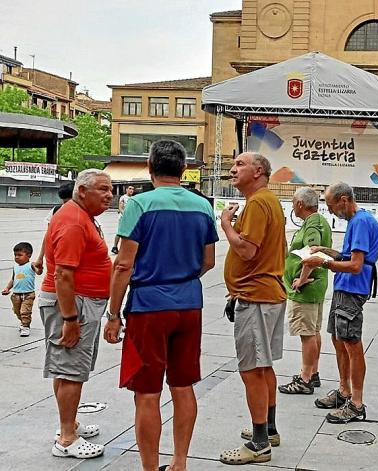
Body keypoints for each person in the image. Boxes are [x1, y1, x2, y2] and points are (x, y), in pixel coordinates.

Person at [103, 140, 218, 471]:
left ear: (149, 168)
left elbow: (123, 265)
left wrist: (113, 315)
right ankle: (179, 462)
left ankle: (150, 468)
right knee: (183, 386)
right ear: (184, 170)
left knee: (148, 393)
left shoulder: (139, 205)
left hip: (148, 308)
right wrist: (180, 278)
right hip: (189, 305)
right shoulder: (202, 206)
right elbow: (208, 261)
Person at [39, 169, 113, 459]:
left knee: (67, 368)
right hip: (73, 305)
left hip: (81, 303)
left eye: (110, 189)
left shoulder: (81, 216)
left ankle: (68, 425)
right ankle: (67, 439)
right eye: (103, 189)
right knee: (71, 371)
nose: (109, 195)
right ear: (82, 191)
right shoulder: (73, 221)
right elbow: (63, 275)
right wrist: (70, 320)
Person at [219, 152, 287, 465]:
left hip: (256, 296)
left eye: (240, 165)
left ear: (258, 171)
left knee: (251, 371)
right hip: (265, 294)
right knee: (263, 367)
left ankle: (259, 443)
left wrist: (225, 224)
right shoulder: (266, 201)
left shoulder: (259, 202)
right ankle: (268, 428)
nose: (233, 169)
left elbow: (246, 249)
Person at [302, 182, 378, 424]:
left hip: (352, 288)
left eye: (331, 205)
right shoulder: (358, 221)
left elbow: (356, 265)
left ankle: (356, 403)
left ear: (344, 200)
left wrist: (322, 263)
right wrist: (323, 250)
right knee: (339, 340)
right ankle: (344, 391)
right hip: (345, 287)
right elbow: (347, 256)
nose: (330, 210)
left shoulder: (359, 222)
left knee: (351, 343)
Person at [278, 187, 332, 395]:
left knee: (307, 333)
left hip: (306, 288)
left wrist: (300, 278)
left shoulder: (312, 225)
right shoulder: (318, 222)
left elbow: (312, 253)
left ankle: (305, 378)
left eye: (293, 202)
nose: (292, 206)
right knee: (313, 331)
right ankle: (313, 373)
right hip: (316, 285)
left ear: (300, 204)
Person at [33, 181, 75, 274]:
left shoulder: (84, 212)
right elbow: (48, 235)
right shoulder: (56, 211)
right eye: (64, 201)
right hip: (57, 256)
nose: (66, 205)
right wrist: (40, 257)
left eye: (69, 201)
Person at [2, 242, 39, 336]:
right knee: (17, 311)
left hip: (28, 294)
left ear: (29, 255)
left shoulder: (31, 265)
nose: (17, 257)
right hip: (16, 294)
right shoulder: (15, 267)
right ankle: (23, 323)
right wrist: (7, 288)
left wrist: (40, 268)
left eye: (20, 255)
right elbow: (13, 279)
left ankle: (26, 326)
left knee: (25, 311)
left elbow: (38, 272)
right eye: (15, 255)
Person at [112, 185, 135, 254]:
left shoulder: (133, 198)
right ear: (126, 189)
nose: (131, 190)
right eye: (130, 188)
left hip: (130, 218)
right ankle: (115, 247)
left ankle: (126, 247)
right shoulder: (123, 197)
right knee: (120, 232)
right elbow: (120, 208)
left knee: (129, 233)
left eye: (133, 189)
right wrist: (125, 215)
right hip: (123, 217)